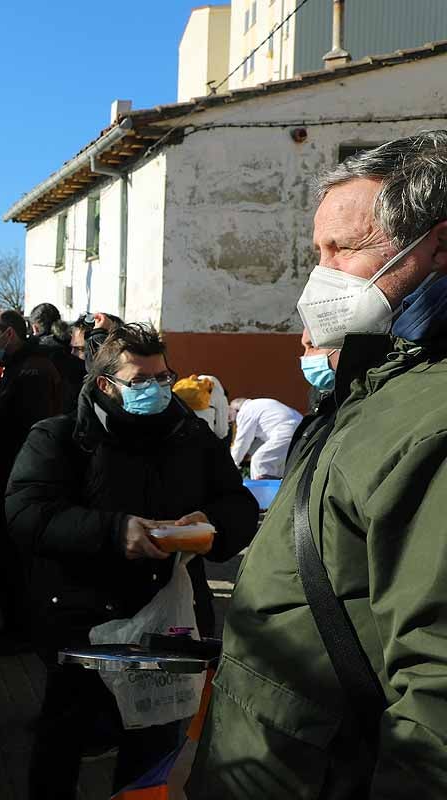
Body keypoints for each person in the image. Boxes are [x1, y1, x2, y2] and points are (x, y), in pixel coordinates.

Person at [188, 131, 447, 799]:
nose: (319, 277)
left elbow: (437, 702)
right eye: (317, 253)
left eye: (345, 249)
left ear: (437, 247)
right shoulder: (368, 392)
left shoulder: (431, 420)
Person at [6, 324, 258, 798]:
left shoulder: (192, 437)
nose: (157, 389)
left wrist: (212, 526)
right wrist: (114, 531)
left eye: (163, 377)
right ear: (106, 386)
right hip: (83, 624)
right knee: (63, 744)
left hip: (170, 624)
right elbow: (26, 513)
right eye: (141, 381)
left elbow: (240, 505)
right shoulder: (59, 438)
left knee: (153, 750)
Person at [0, 308, 63, 650]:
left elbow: (28, 428)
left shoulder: (33, 371)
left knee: (18, 560)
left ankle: (22, 631)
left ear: (10, 334)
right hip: (14, 474)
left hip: (22, 478)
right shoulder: (21, 366)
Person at [27, 302, 85, 411]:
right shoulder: (75, 344)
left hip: (50, 412)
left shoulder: (34, 350)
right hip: (76, 407)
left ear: (35, 328)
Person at [227, 397, 302, 479]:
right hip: (300, 429)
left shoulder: (245, 411)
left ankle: (261, 491)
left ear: (235, 409)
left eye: (230, 416)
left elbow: (242, 442)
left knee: (260, 461)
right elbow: (262, 440)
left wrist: (230, 466)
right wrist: (248, 454)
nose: (232, 422)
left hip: (286, 431)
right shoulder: (258, 406)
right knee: (279, 469)